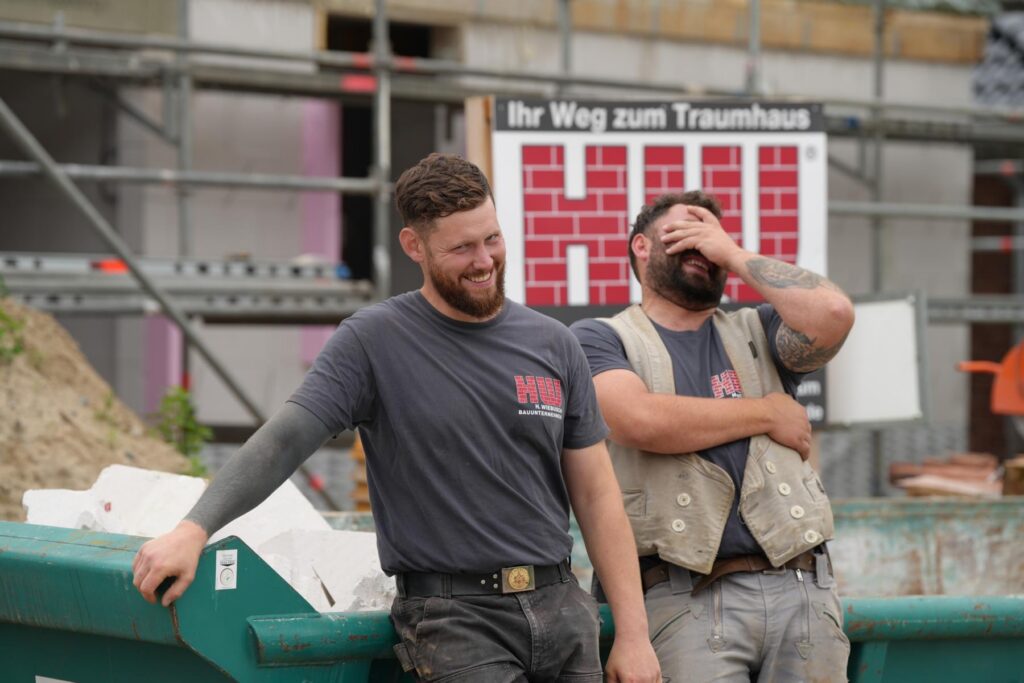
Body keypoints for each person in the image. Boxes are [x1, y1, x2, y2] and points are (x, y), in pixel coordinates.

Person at [132, 153, 660, 683]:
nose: (484, 261)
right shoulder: (372, 341)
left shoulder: (554, 344)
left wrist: (634, 635)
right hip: (457, 622)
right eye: (461, 248)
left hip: (563, 609)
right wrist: (193, 529)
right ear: (415, 246)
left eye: (491, 239)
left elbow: (597, 495)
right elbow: (285, 440)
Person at [570, 191, 854, 682]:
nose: (702, 245)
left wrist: (734, 254)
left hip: (804, 588)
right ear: (641, 246)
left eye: (711, 235)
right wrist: (766, 412)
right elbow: (640, 421)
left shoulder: (758, 329)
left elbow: (833, 313)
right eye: (684, 232)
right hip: (683, 598)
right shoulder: (600, 337)